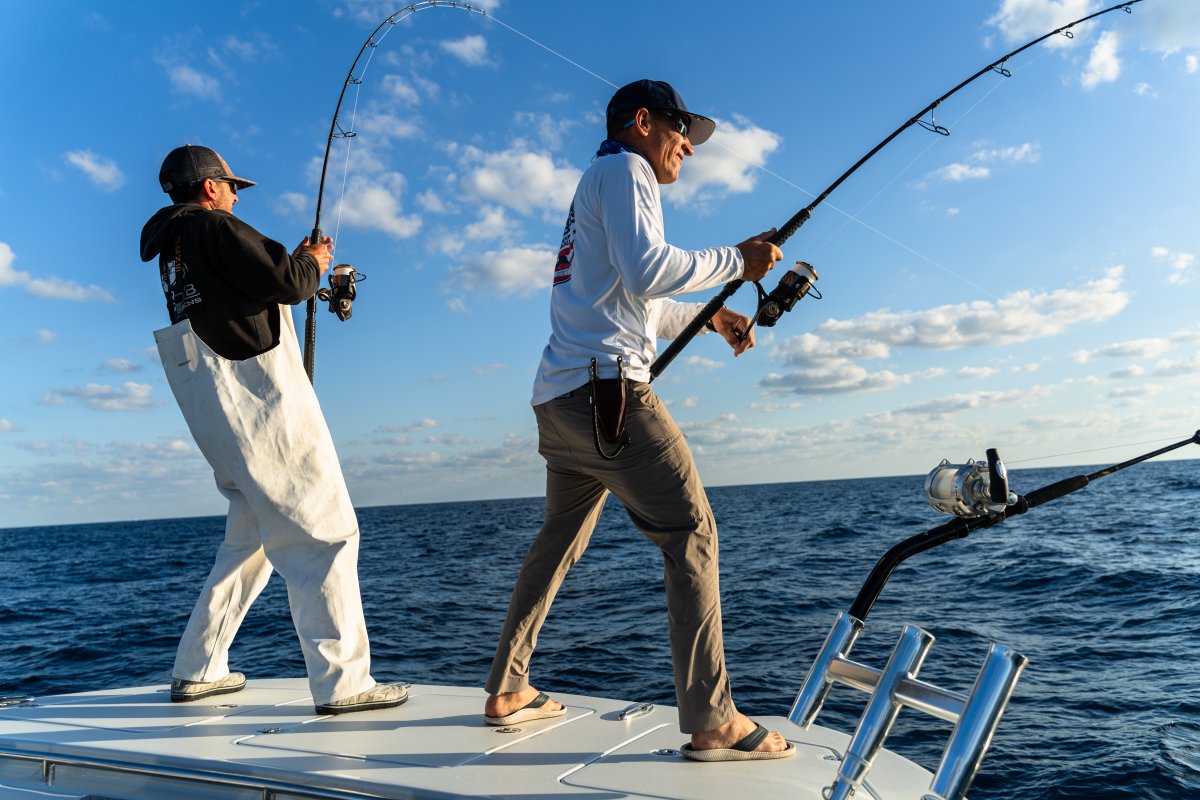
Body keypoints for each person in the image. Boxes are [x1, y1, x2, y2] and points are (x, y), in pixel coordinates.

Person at [483, 80, 794, 762]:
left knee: (558, 539)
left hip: (559, 404)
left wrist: (713, 315)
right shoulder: (625, 169)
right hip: (609, 400)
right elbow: (651, 270)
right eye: (682, 128)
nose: (689, 144)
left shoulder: (595, 183)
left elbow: (631, 295)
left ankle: (508, 688)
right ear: (643, 121)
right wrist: (738, 262)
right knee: (692, 530)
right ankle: (713, 721)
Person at [139, 144, 406, 715]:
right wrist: (313, 258)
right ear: (209, 188)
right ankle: (344, 684)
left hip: (218, 419)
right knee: (324, 531)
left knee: (251, 540)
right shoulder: (215, 228)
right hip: (260, 411)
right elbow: (286, 280)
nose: (235, 196)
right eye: (231, 186)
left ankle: (199, 667)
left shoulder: (173, 252)